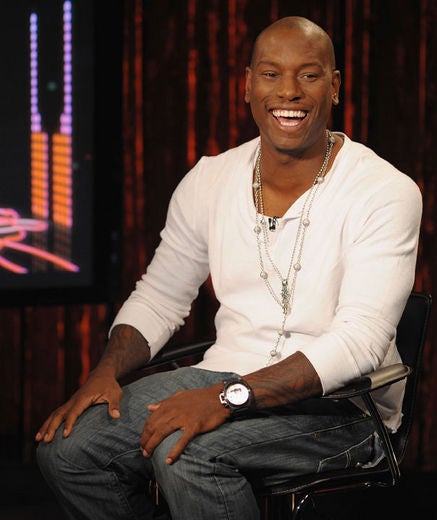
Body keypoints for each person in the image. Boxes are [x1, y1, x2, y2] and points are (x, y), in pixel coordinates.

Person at [36, 15, 422, 520]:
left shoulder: (385, 191)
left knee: (187, 451)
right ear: (246, 85)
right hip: (225, 372)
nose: (289, 91)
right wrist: (105, 372)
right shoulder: (210, 179)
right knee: (68, 449)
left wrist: (225, 398)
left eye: (308, 75)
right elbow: (160, 295)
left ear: (334, 87)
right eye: (270, 74)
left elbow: (360, 341)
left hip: (343, 406)